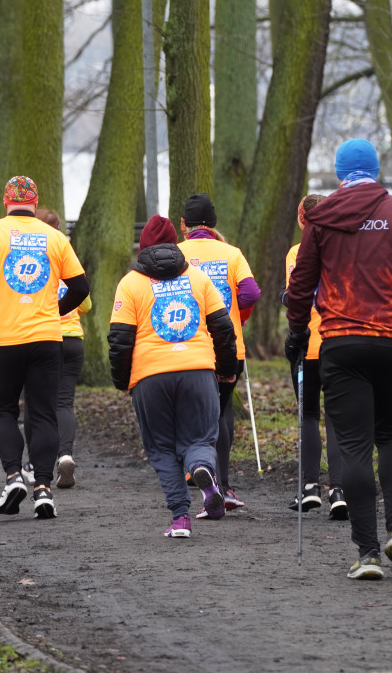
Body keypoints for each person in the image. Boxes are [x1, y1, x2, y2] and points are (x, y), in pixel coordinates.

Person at [286, 138, 392, 580]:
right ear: (376, 171)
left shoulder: (320, 218)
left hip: (342, 343)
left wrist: (297, 334)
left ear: (339, 174)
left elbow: (301, 286)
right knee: (391, 435)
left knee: (352, 445)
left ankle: (368, 553)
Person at [0, 176, 89, 519]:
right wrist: (56, 311)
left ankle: (14, 476)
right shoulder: (55, 237)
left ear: (6, 202)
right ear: (35, 202)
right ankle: (44, 489)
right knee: (44, 413)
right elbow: (80, 285)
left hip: (4, 339)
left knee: (4, 412)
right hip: (47, 338)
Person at [108, 214, 239, 537]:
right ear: (176, 244)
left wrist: (122, 380)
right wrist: (226, 371)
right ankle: (202, 472)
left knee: (162, 448)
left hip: (150, 376)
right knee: (200, 439)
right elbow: (223, 329)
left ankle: (180, 518)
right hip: (197, 370)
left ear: (143, 247)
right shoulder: (198, 278)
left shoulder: (130, 283)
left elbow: (120, 339)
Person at [177, 194, 260, 517]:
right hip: (228, 347)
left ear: (184, 225)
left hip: (190, 346)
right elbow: (251, 291)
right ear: (213, 224)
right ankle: (224, 485)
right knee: (223, 411)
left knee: (196, 416)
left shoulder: (176, 254)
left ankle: (202, 477)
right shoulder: (231, 253)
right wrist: (235, 315)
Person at [281, 194, 347, 520]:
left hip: (307, 345)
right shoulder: (344, 251)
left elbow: (296, 295)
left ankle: (309, 488)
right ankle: (339, 490)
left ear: (301, 219)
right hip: (338, 345)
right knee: (336, 418)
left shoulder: (296, 252)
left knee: (309, 416)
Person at [35, 208, 90, 489]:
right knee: (64, 402)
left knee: (38, 404)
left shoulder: (32, 259)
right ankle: (65, 455)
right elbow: (86, 303)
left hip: (42, 339)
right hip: (72, 340)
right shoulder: (65, 256)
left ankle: (34, 464)